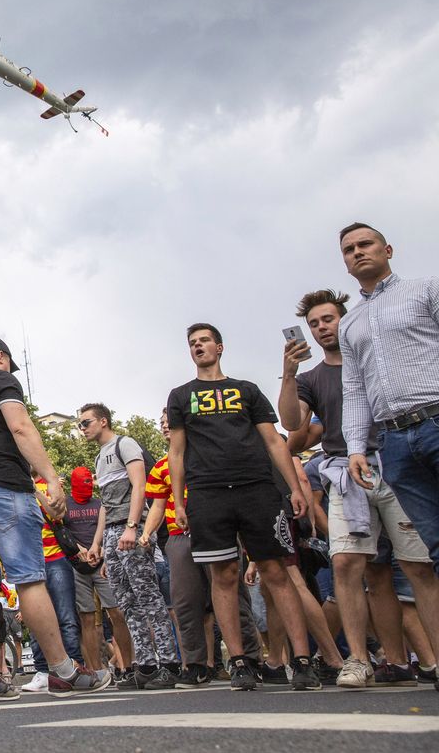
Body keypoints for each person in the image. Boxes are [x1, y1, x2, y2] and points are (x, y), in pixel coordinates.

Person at [279, 285, 439, 688]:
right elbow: (293, 423)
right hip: (345, 473)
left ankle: (431, 660)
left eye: (327, 319)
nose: (320, 328)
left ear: (345, 319)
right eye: (312, 324)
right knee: (356, 566)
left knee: (419, 565)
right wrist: (289, 372)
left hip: (396, 462)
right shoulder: (313, 377)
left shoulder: (373, 359)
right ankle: (363, 660)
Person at [0, 336, 109, 701]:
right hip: (2, 489)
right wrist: (49, 478)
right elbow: (20, 428)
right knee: (30, 578)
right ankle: (63, 671)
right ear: (1, 358)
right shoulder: (1, 380)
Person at [166, 323, 320, 691]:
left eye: (204, 341)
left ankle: (301, 661)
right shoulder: (180, 395)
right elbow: (177, 451)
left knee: (276, 572)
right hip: (208, 493)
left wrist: (296, 488)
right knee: (224, 575)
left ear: (219, 347)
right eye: (192, 343)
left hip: (257, 489)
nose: (197, 346)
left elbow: (274, 440)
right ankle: (239, 662)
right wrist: (179, 499)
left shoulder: (246, 390)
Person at [338, 224, 439, 576]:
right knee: (435, 546)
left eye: (365, 244)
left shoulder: (425, 289)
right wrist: (353, 448)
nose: (358, 252)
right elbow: (353, 389)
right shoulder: (349, 324)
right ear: (346, 264)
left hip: (436, 419)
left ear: (388, 250)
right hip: (393, 442)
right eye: (349, 250)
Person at [145, 410, 263, 687]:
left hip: (216, 529)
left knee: (234, 596)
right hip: (178, 536)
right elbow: (158, 506)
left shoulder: (208, 455)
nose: (165, 427)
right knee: (185, 602)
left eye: (169, 422)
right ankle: (196, 665)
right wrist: (145, 533)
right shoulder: (161, 466)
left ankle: (250, 660)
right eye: (161, 423)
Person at [79, 403, 180, 689]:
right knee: (126, 603)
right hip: (112, 533)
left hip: (130, 529)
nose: (82, 429)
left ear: (103, 421)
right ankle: (145, 665)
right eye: (80, 424)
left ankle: (170, 663)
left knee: (148, 597)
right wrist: (97, 544)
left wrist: (133, 527)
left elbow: (139, 485)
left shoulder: (126, 444)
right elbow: (105, 505)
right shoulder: (99, 458)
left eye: (86, 423)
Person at [63, 467, 134, 677]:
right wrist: (77, 548)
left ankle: (128, 665)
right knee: (86, 618)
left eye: (89, 482)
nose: (86, 486)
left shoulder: (99, 504)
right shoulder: (66, 505)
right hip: (77, 565)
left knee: (116, 612)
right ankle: (95, 669)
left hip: (103, 563)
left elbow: (109, 528)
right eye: (82, 482)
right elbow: (61, 531)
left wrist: (103, 548)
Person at [22, 475, 85, 693]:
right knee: (36, 620)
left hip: (55, 559)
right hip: (30, 561)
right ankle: (42, 671)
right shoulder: (15, 490)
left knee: (66, 617)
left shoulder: (50, 486)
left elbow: (57, 514)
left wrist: (35, 491)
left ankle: (74, 665)